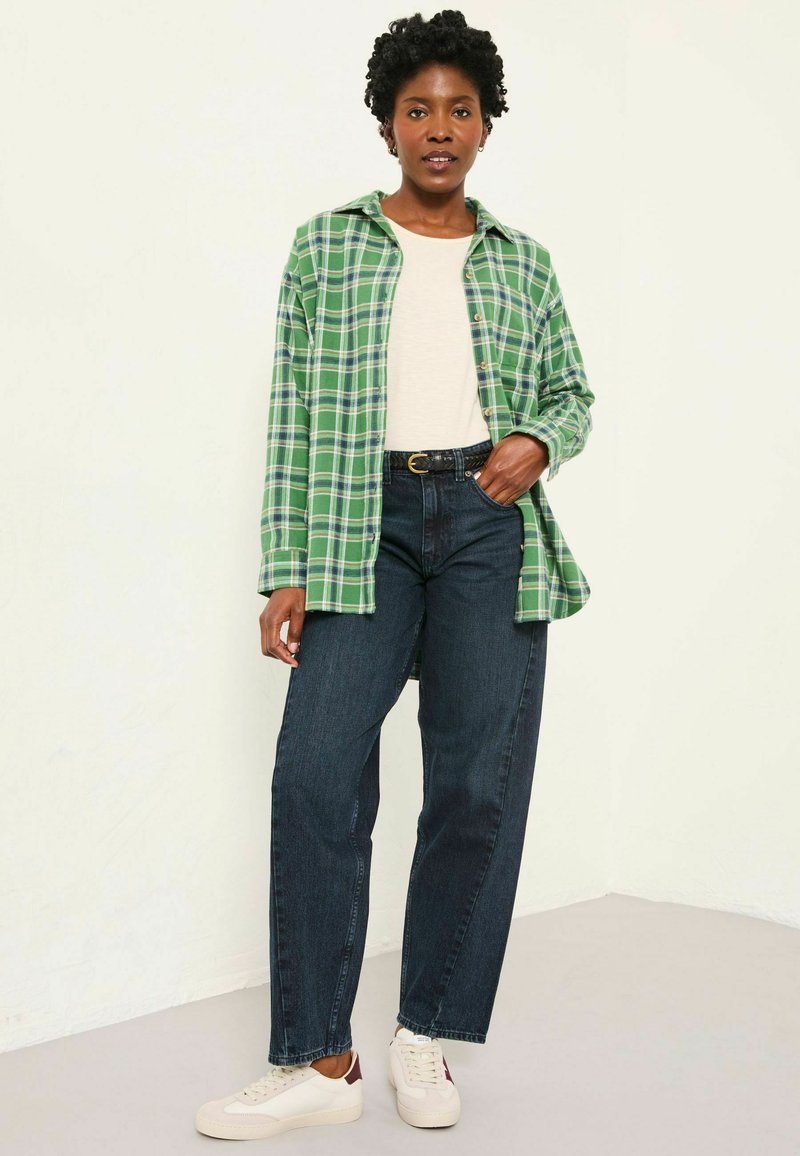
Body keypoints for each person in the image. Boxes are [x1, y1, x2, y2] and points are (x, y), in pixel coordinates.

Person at [195, 8, 594, 1142]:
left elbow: (572, 391)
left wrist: (539, 441)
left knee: (473, 785)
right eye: (418, 109)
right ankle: (320, 1059)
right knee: (316, 772)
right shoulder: (325, 246)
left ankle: (426, 1033)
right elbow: (292, 410)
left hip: (486, 522)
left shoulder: (522, 260)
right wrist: (284, 567)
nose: (439, 128)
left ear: (486, 125)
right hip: (355, 525)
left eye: (459, 109)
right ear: (386, 125)